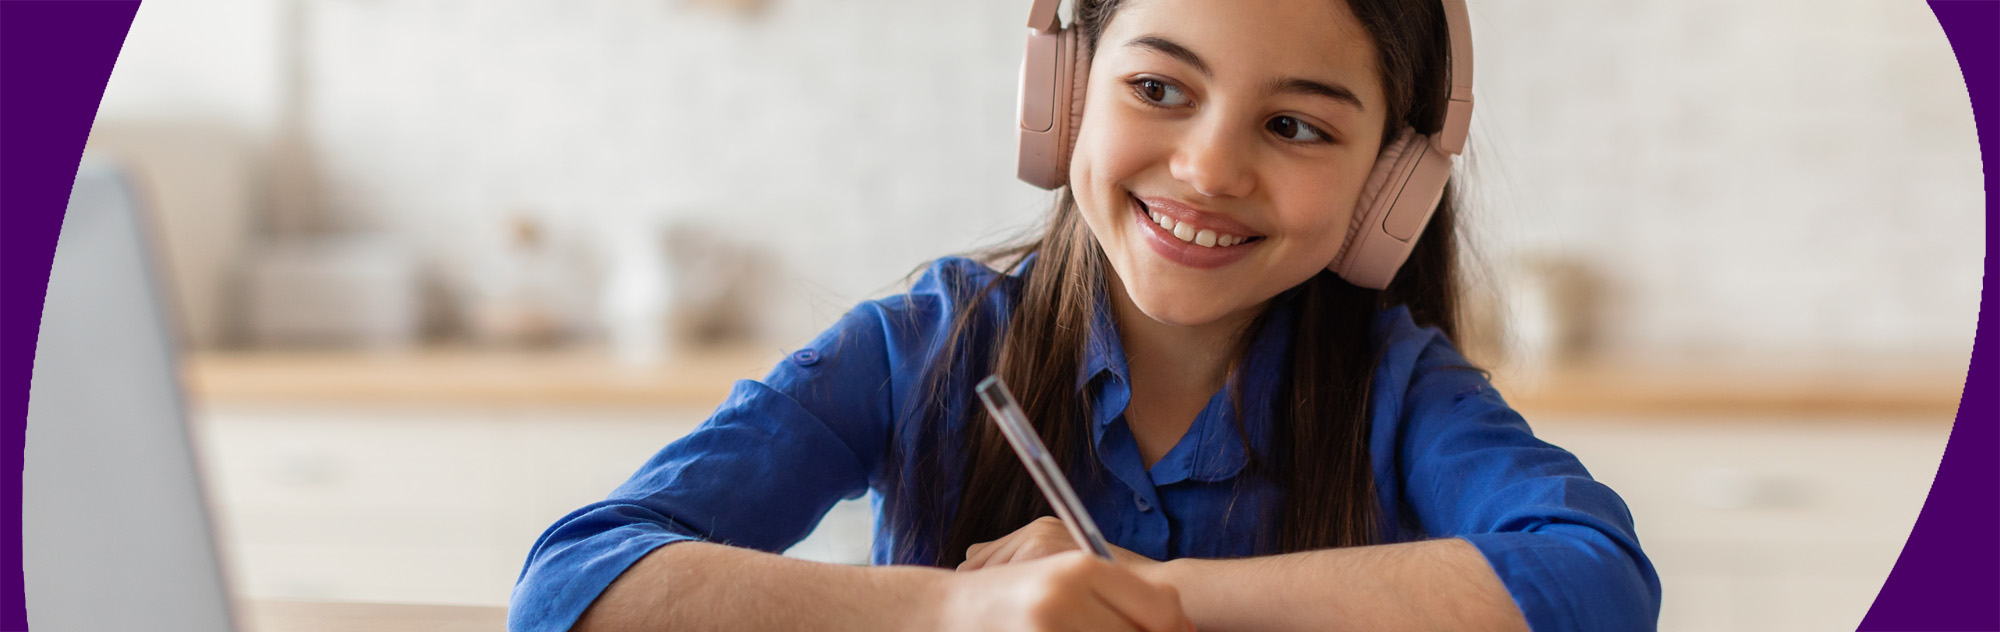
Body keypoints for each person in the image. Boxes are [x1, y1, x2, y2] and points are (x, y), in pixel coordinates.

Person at [509, 0, 1661, 630]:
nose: (1208, 169)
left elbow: (1597, 585)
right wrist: (963, 615)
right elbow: (571, 586)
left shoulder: (1398, 388)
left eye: (1296, 126)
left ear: (1387, 188)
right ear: (1060, 100)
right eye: (1158, 89)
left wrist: (1139, 590)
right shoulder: (921, 345)